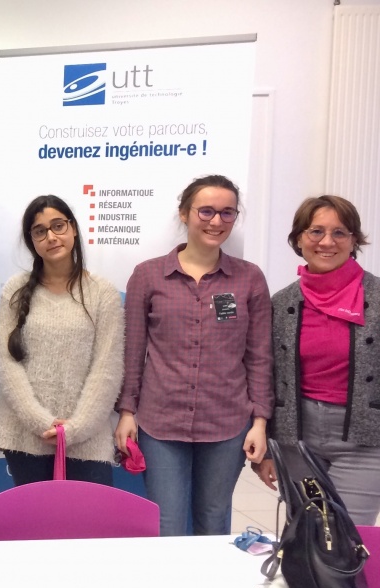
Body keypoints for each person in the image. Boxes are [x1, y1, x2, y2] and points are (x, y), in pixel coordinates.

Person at [115, 175, 272, 537]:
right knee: (166, 525)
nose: (216, 221)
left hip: (227, 423)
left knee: (214, 522)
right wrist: (127, 412)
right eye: (206, 211)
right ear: (184, 213)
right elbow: (133, 351)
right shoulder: (148, 275)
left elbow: (260, 357)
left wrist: (260, 421)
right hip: (161, 423)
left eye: (227, 213)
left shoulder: (249, 279)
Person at [254, 195, 380, 526]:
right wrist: (268, 449)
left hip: (365, 441)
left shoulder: (378, 297)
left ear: (354, 240)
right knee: (308, 531)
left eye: (339, 232)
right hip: (297, 440)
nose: (327, 242)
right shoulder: (281, 303)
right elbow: (267, 377)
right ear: (299, 238)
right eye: (316, 231)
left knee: (348, 535)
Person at [0, 196, 124, 485]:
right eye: (40, 231)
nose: (51, 237)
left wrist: (76, 429)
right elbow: (5, 362)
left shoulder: (103, 293)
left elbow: (107, 369)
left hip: (86, 439)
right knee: (35, 515)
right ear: (32, 241)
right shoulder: (15, 289)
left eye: (58, 226)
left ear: (73, 228)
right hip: (25, 436)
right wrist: (40, 421)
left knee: (89, 514)